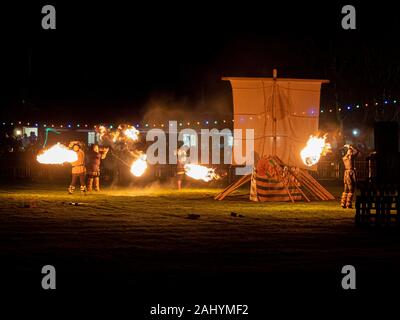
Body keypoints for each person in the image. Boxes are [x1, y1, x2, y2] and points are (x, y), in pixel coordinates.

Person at [341, 144, 359, 209]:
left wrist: (349, 148)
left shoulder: (344, 158)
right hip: (350, 173)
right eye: (350, 151)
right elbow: (357, 151)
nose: (351, 152)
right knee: (351, 189)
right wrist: (351, 147)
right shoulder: (351, 157)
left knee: (345, 188)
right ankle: (348, 204)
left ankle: (343, 203)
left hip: (346, 173)